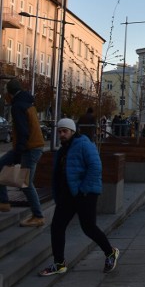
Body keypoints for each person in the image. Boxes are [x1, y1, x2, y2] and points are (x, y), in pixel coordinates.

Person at [38, 118, 120, 276]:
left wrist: (83, 189)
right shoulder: (63, 150)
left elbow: (96, 167)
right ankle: (59, 263)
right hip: (67, 195)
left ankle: (110, 252)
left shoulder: (83, 144)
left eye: (65, 131)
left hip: (85, 194)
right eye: (60, 131)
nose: (62, 134)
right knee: (57, 227)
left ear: (73, 132)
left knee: (88, 227)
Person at [0, 79, 46, 227]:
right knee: (1, 166)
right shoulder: (27, 102)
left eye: (6, 92)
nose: (5, 95)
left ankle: (38, 215)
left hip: (29, 149)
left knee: (25, 184)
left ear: (10, 93)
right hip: (30, 147)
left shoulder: (18, 106)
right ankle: (4, 202)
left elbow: (23, 132)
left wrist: (17, 155)